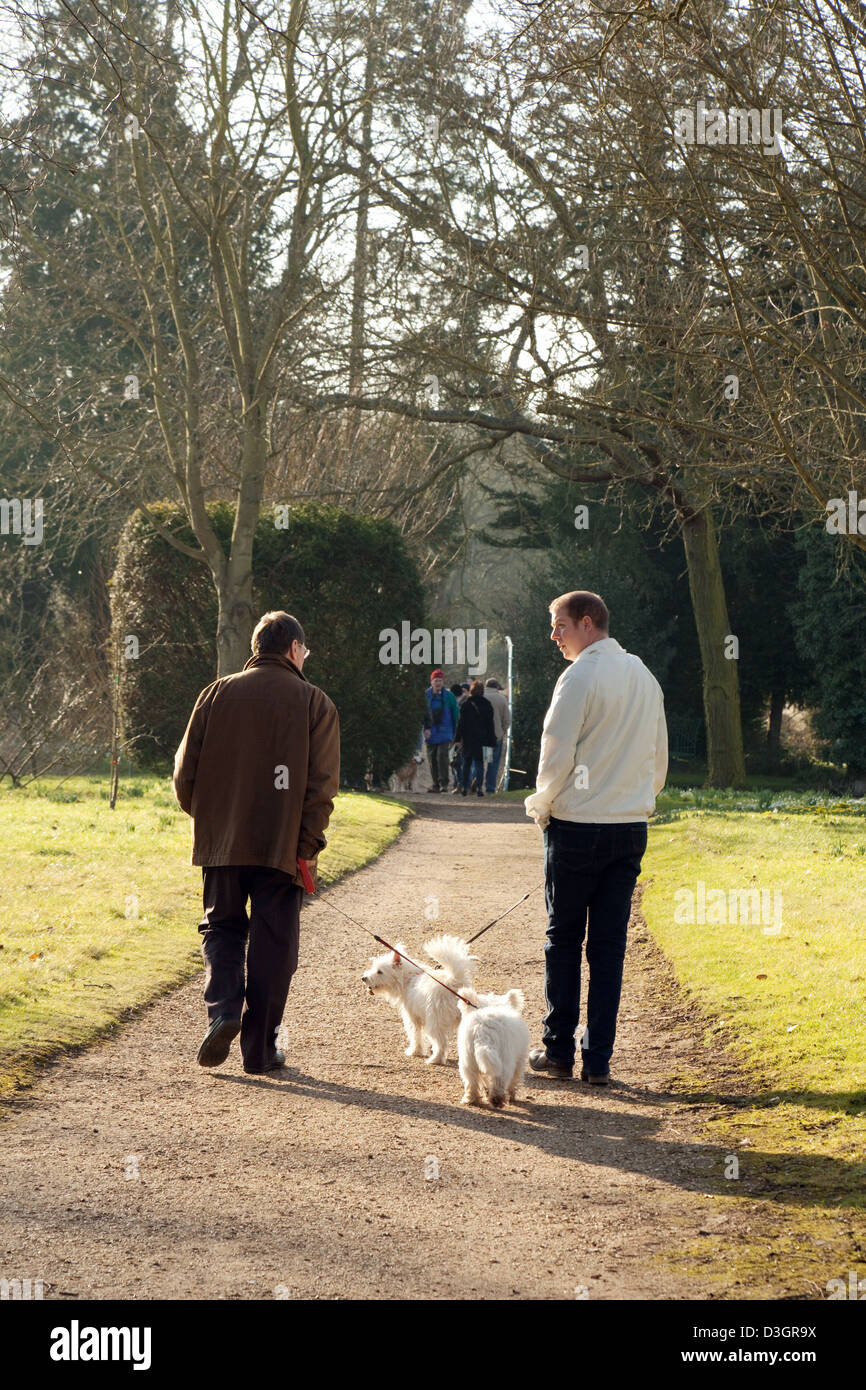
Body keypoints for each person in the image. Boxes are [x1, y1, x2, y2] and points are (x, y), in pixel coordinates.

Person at [173, 610, 340, 1074]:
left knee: (222, 928)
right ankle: (259, 1051)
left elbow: (184, 771)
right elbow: (322, 785)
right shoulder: (315, 703)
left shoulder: (215, 693)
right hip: (282, 847)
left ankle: (224, 1010)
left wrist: (210, 818)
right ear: (293, 649)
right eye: (304, 650)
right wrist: (307, 845)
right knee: (273, 944)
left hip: (222, 843)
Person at [524, 590, 667, 1085]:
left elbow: (556, 751)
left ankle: (560, 1050)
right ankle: (599, 1059)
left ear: (587, 623)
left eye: (559, 624)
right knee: (609, 947)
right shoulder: (645, 677)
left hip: (578, 827)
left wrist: (543, 804)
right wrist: (637, 800)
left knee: (563, 939)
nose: (554, 635)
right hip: (629, 827)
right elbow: (658, 756)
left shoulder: (580, 674)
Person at [454, 678, 496, 796]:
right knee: (480, 764)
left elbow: (461, 723)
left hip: (468, 739)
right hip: (482, 739)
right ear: (482, 691)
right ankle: (479, 788)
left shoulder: (466, 704)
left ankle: (464, 787)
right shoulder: (487, 705)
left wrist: (457, 739)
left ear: (471, 691)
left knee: (466, 763)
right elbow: (490, 725)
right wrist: (492, 741)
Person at [423, 668, 460, 792]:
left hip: (445, 731)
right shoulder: (426, 696)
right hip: (431, 732)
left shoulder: (449, 696)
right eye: (435, 680)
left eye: (440, 680)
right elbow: (422, 713)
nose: (438, 683)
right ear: (431, 682)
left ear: (443, 682)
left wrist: (456, 731)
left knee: (442, 756)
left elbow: (455, 713)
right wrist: (425, 728)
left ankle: (444, 783)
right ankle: (435, 784)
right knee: (432, 758)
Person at [483, 677, 510, 794]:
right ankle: (490, 788)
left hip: (480, 736)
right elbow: (507, 719)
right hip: (496, 736)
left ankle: (475, 785)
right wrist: (502, 731)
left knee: (479, 762)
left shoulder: (479, 697)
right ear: (497, 687)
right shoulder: (502, 698)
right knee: (493, 763)